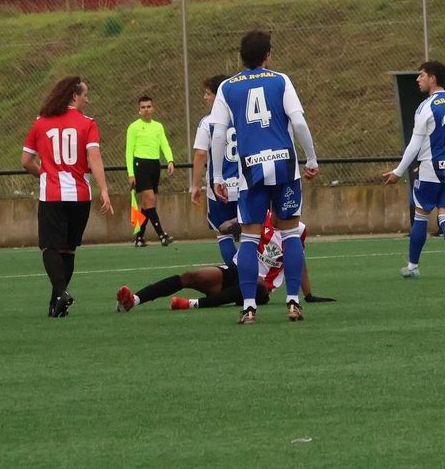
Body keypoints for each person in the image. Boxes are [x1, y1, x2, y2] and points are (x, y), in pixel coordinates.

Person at [209, 30, 318, 325]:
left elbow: (218, 133)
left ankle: (248, 308)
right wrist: (311, 157)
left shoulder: (228, 87)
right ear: (268, 55)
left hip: (250, 169)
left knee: (248, 238)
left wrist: (218, 174)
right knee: (291, 232)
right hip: (284, 165)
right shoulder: (280, 80)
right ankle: (293, 302)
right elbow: (298, 121)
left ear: (241, 57)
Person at [22, 76, 114, 317]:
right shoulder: (88, 123)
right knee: (68, 249)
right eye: (85, 95)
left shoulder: (41, 123)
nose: (87, 99)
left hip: (52, 194)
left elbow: (25, 161)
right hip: (80, 195)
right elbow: (94, 157)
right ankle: (56, 304)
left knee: (49, 246)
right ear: (74, 96)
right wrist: (103, 189)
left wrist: (43, 173)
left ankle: (61, 292)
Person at [116, 216, 335, 311]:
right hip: (234, 271)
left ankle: (191, 304)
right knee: (190, 276)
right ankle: (134, 300)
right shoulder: (258, 216)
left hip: (260, 288)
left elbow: (299, 262)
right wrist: (233, 228)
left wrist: (308, 296)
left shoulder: (298, 230)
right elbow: (221, 227)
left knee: (257, 287)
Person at [384, 60, 445, 278]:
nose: (417, 79)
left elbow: (415, 144)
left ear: (433, 78)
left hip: (432, 170)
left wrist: (398, 171)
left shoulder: (426, 106)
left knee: (421, 216)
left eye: (421, 75)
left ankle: (412, 267)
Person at [190, 74, 240, 264]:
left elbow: (201, 154)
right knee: (252, 233)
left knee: (222, 232)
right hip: (245, 185)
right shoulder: (241, 117)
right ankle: (254, 274)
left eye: (208, 94)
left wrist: (194, 185)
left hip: (220, 188)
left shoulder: (208, 122)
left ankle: (236, 274)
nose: (205, 97)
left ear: (218, 95)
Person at [126, 94, 176, 247]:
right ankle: (162, 235)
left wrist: (170, 160)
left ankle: (139, 237)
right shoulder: (133, 127)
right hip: (140, 165)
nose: (146, 110)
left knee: (148, 205)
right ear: (139, 110)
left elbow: (164, 144)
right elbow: (129, 151)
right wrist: (131, 173)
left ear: (153, 108)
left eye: (148, 107)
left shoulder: (158, 126)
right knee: (150, 201)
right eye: (143, 107)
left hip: (154, 165)